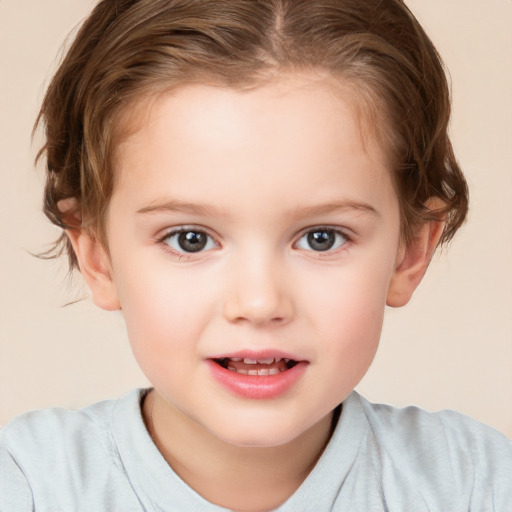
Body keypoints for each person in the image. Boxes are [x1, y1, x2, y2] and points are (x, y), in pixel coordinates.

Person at [1, 0, 510, 510]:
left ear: (410, 251)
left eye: (322, 238)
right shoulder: (29, 485)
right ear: (98, 257)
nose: (260, 302)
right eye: (190, 239)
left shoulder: (476, 485)